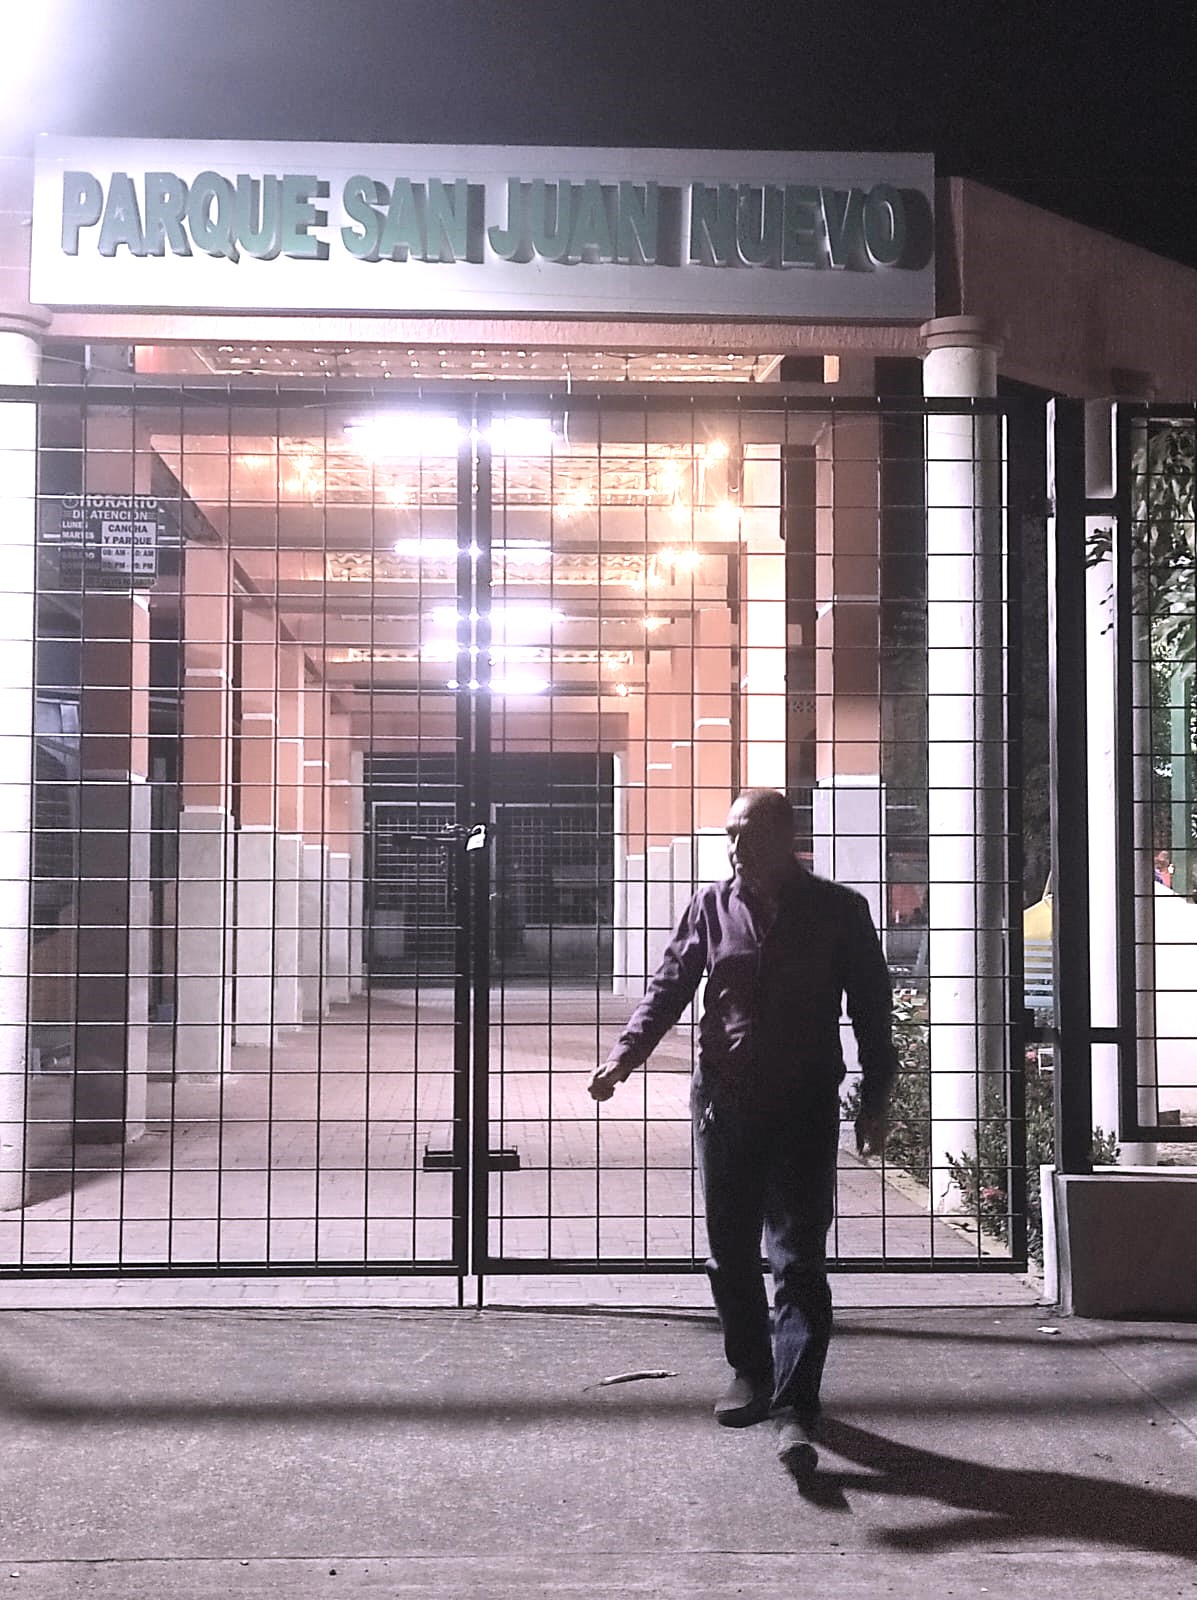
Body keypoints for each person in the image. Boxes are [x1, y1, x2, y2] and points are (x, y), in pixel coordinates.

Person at [588, 789, 897, 1477]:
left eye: (749, 834)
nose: (735, 848)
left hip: (803, 1107)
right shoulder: (710, 907)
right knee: (729, 1252)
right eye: (730, 835)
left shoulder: (839, 911)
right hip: (724, 1105)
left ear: (787, 838)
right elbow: (669, 988)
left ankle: (795, 1405)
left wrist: (876, 1096)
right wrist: (624, 1057)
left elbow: (872, 1009)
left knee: (797, 1259)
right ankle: (751, 1371)